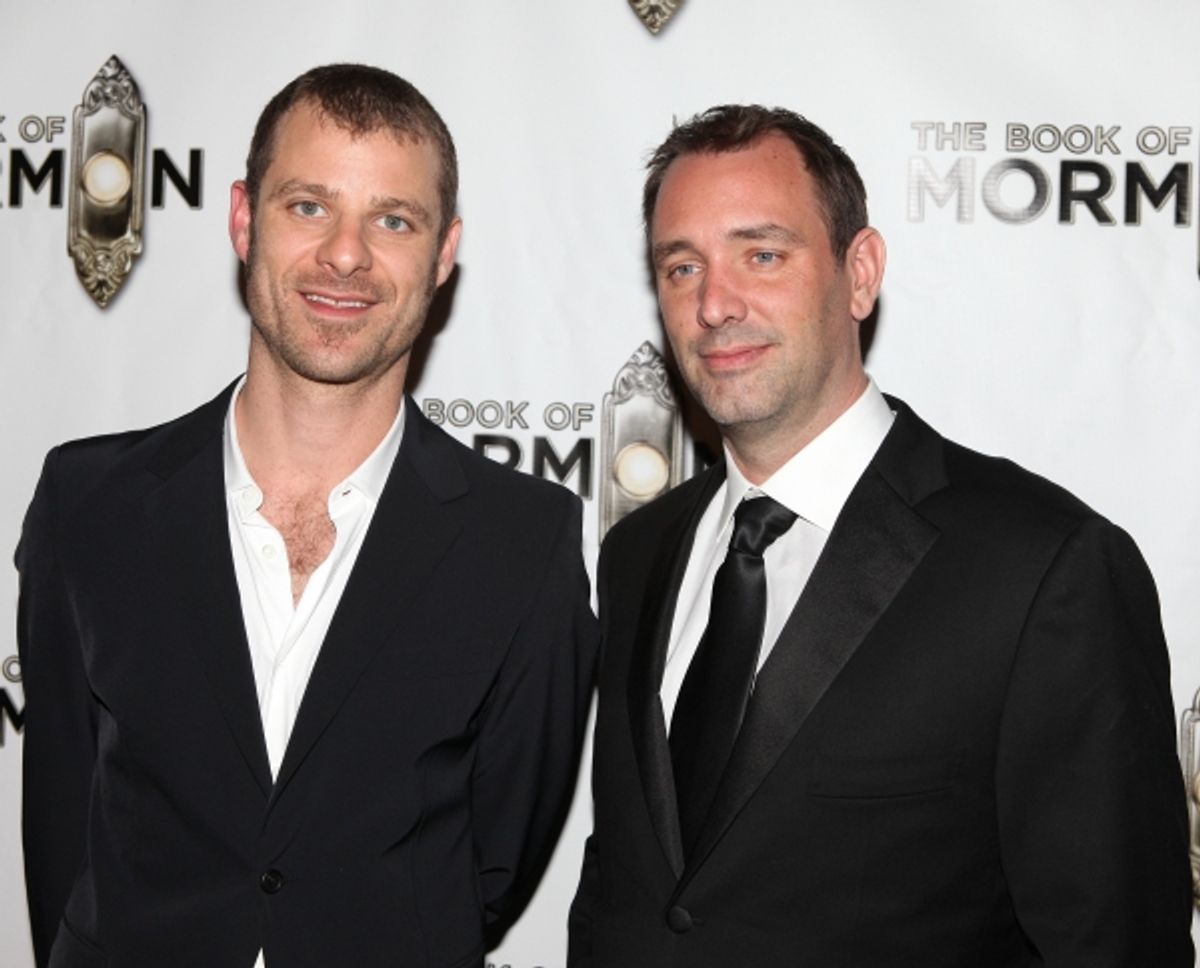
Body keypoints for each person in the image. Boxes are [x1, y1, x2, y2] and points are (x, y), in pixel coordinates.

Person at [569, 104, 1193, 967]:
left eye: (762, 254)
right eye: (682, 267)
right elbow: (627, 894)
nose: (715, 304)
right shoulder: (638, 556)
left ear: (858, 273)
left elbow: (1114, 943)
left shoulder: (1044, 568)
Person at [18, 64, 597, 968]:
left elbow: (494, 862)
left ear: (443, 254)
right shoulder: (90, 504)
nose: (346, 255)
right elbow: (59, 817)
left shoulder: (525, 543)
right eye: (309, 207)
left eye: (392, 220)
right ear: (245, 219)